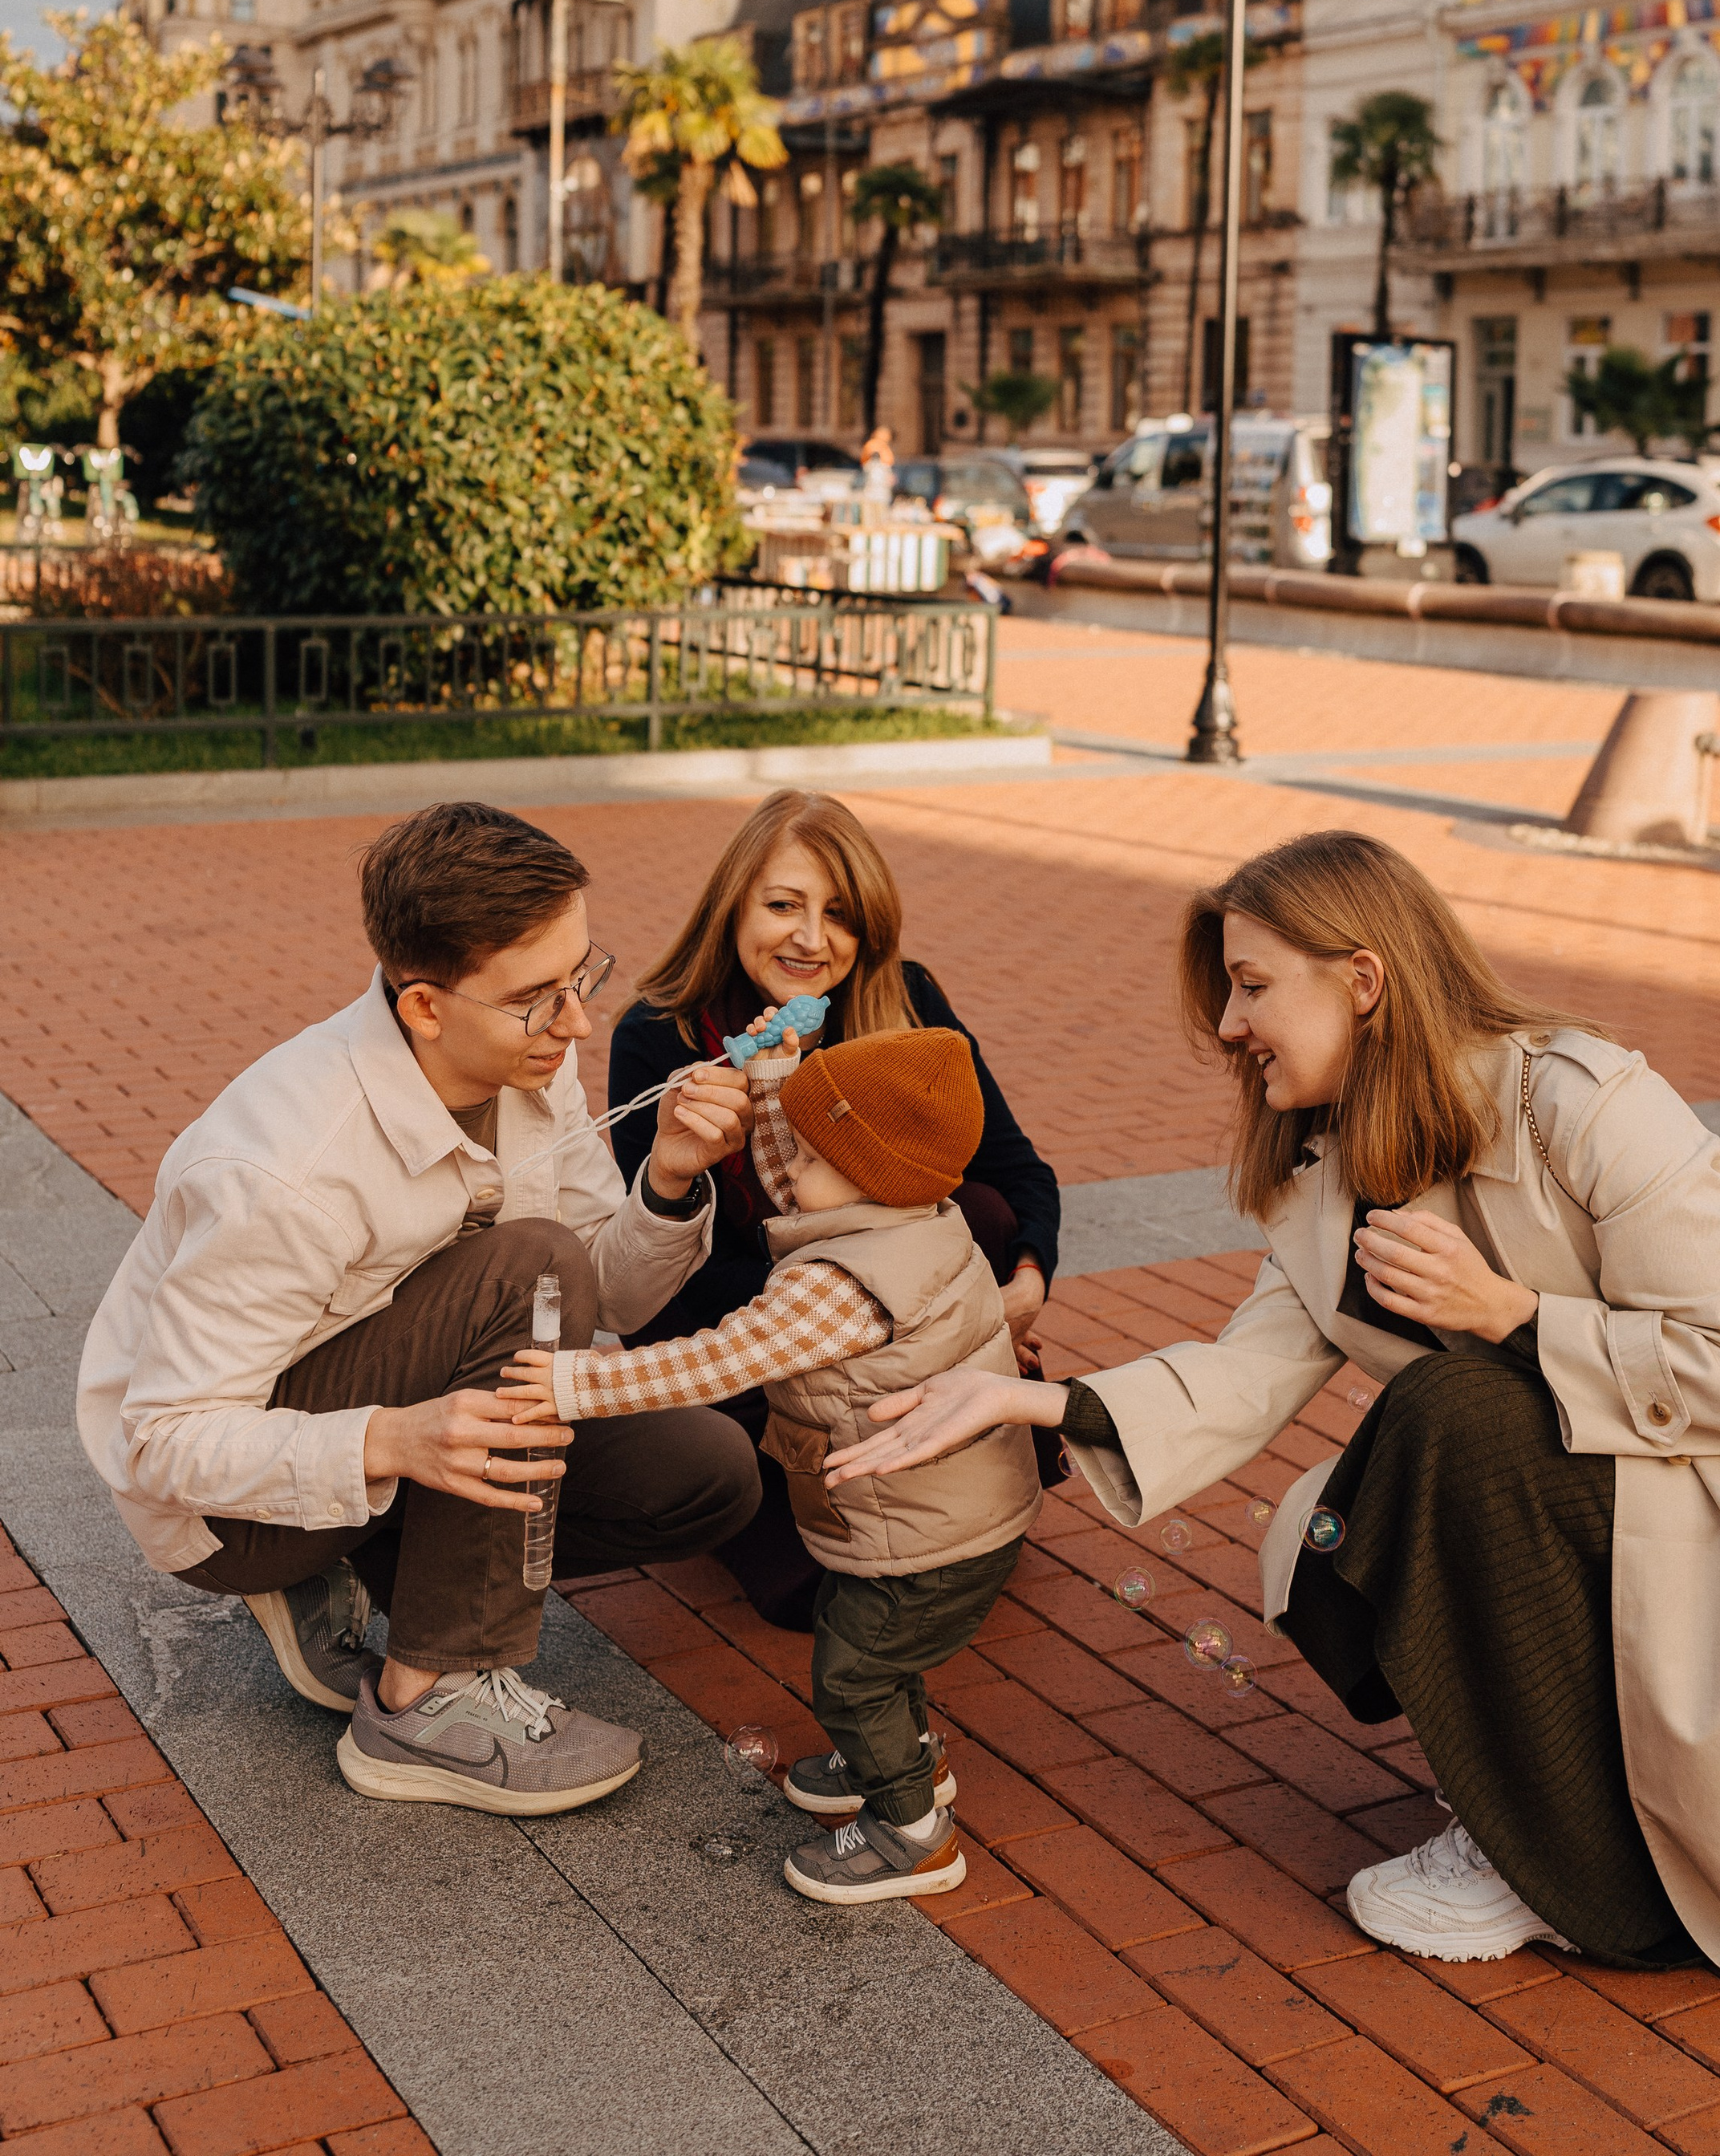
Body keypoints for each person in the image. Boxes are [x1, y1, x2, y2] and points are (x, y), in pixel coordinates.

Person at [823, 826, 1720, 2033]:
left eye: (1253, 986)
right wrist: (1026, 1397)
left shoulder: (1581, 1104)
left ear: (1364, 980)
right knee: (1361, 1505)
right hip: (1628, 1504)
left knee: (1449, 1414)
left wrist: (1515, 1316)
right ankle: (1550, 1811)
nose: (1229, 1024)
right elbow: (1247, 1370)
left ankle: (1583, 1880)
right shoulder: (1327, 1166)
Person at [77, 801, 761, 1817]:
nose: (577, 1022)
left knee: (706, 1478)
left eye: (583, 976)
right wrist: (394, 1440)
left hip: (398, 1412)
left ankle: (383, 1556)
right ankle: (426, 1702)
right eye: (538, 998)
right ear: (425, 1008)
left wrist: (664, 1181)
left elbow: (609, 1294)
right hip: (227, 1514)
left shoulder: (527, 1062)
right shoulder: (287, 1164)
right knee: (528, 1264)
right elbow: (163, 1444)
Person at [505, 1015, 1037, 1905]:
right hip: (946, 1510)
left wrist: (573, 1386)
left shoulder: (844, 1288)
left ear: (865, 1174)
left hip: (924, 1526)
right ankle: (906, 1762)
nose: (783, 1171)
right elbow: (804, 1164)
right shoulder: (915, 1217)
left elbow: (712, 1360)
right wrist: (775, 1078)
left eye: (815, 1155)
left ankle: (913, 1834)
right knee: (876, 1645)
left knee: (853, 1670)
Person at [606, 790, 1058, 1626]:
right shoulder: (662, 1036)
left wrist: (1024, 1282)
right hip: (744, 1338)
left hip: (881, 1332)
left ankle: (950, 1452)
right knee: (808, 1596)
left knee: (987, 1218)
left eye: (841, 915)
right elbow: (674, 1278)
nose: (812, 940)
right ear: (732, 904)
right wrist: (826, 1323)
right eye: (783, 905)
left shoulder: (903, 1002)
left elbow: (1016, 1172)